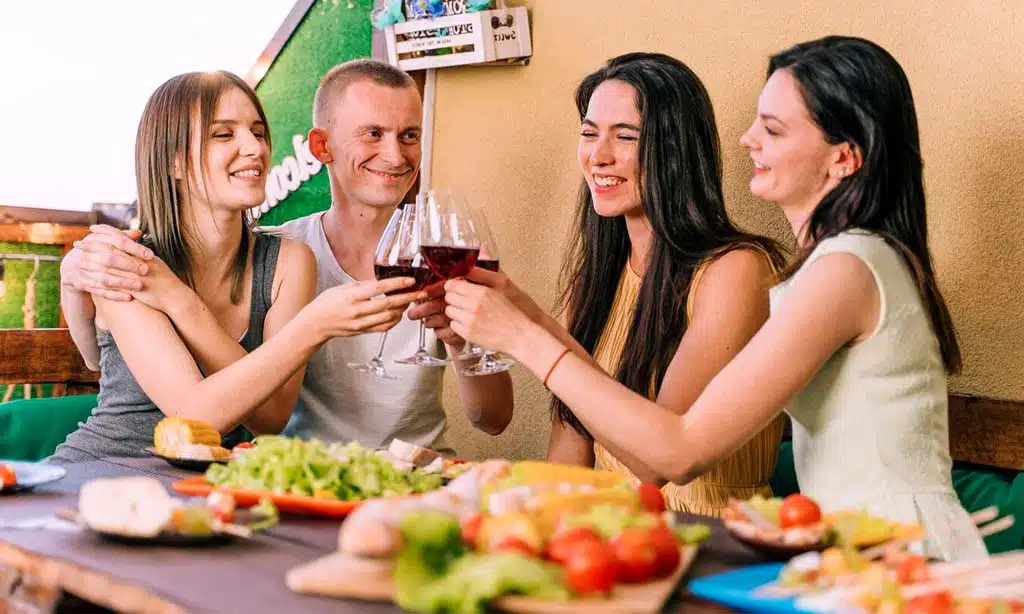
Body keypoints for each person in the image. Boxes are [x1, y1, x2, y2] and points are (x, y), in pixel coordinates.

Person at [443, 37, 987, 560]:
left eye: (771, 129)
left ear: (843, 159)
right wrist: (522, 312)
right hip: (845, 547)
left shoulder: (843, 269)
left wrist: (522, 336)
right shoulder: (838, 264)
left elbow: (675, 453)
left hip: (897, 553)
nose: (747, 139)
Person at [60, 60, 514, 454]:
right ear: (322, 148)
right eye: (373, 133)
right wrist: (72, 276)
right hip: (269, 482)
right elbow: (170, 397)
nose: (394, 154)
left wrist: (462, 340)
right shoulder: (143, 261)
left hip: (394, 478)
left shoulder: (421, 255)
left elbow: (493, 418)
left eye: (410, 135)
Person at [449, 52, 789, 515]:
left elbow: (658, 464)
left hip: (714, 543)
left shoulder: (737, 270)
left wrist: (523, 332)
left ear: (675, 150)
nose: (598, 155)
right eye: (589, 133)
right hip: (613, 539)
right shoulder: (597, 277)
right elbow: (569, 458)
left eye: (625, 136)